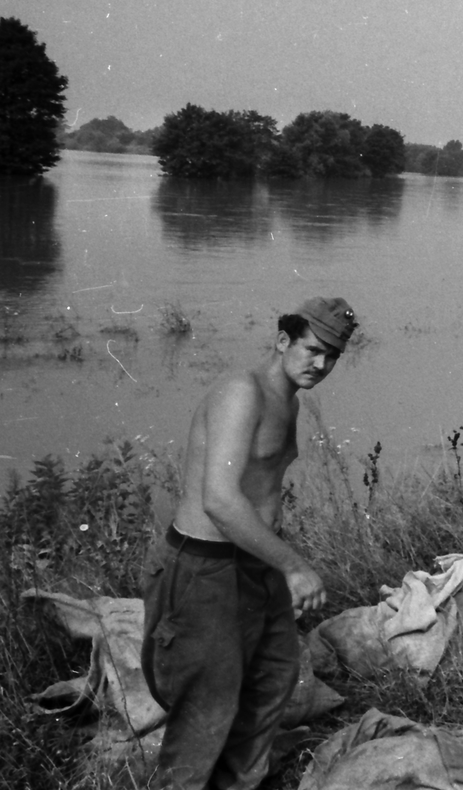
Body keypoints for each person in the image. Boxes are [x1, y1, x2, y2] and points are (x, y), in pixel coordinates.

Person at [142, 297, 356, 790]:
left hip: (255, 563)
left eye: (332, 357)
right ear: (283, 340)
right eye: (311, 350)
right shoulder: (243, 392)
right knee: (205, 711)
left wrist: (276, 563)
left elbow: (261, 490)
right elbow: (219, 500)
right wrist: (294, 566)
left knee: (272, 678)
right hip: (204, 567)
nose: (320, 365)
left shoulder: (291, 400)